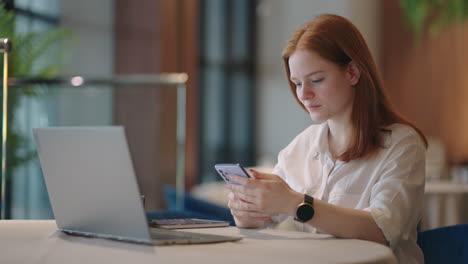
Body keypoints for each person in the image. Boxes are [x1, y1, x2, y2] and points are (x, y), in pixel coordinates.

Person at [226, 14, 427, 264]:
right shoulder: (301, 146)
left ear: (353, 72)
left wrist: (296, 203)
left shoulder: (402, 144)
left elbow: (382, 231)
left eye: (316, 80)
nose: (304, 94)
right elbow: (269, 218)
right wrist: (249, 212)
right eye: (297, 83)